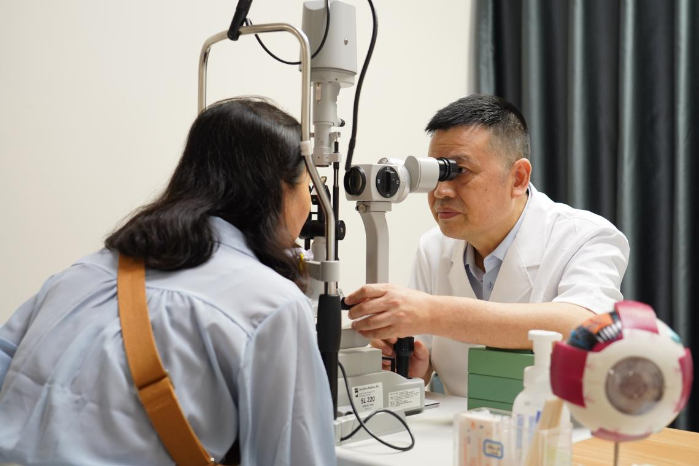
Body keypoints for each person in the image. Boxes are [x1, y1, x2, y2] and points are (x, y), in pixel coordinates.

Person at [0, 98, 336, 465]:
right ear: (279, 190)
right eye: (308, 187)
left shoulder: (81, 274)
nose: (310, 204)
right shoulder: (271, 306)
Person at [345, 94, 629, 397]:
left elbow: (583, 326)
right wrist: (414, 367)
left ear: (518, 178)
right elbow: (424, 357)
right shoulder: (433, 247)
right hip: (460, 423)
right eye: (436, 174)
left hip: (555, 424)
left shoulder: (586, 236)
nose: (441, 191)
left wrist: (431, 312)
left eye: (459, 172)